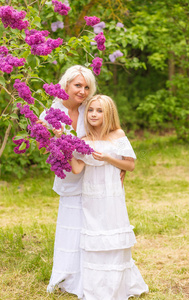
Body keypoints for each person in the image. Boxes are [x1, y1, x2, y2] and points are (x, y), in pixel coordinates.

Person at [70, 95, 149, 300]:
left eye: (99, 110)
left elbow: (130, 165)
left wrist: (108, 158)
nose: (94, 114)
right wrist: (67, 150)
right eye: (90, 110)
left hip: (112, 194)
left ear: (109, 113)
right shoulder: (84, 141)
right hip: (91, 195)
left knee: (113, 232)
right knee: (95, 234)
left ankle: (117, 285)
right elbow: (78, 169)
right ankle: (96, 288)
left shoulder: (117, 135)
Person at [39, 65, 96, 297]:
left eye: (86, 87)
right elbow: (45, 152)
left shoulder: (90, 109)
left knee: (92, 225)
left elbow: (107, 132)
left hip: (93, 174)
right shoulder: (49, 114)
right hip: (69, 175)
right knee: (71, 226)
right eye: (78, 85)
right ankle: (68, 274)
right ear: (66, 84)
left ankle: (92, 273)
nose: (82, 91)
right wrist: (55, 139)